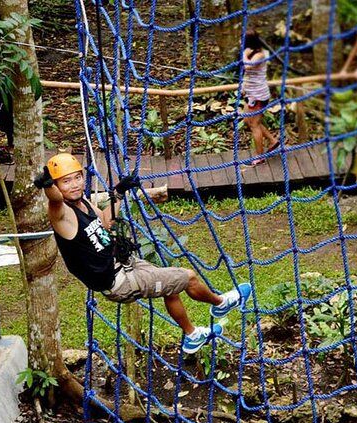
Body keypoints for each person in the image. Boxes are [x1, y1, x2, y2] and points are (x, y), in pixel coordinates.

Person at [33, 153, 252, 354]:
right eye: (66, 181)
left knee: (170, 286)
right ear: (57, 185)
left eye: (77, 177)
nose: (74, 185)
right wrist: (48, 186)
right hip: (119, 282)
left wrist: (118, 193)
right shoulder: (62, 214)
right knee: (188, 277)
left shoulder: (83, 202)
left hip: (125, 264)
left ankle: (192, 335)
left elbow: (105, 222)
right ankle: (221, 303)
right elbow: (55, 200)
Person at [242, 29, 279, 165]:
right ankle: (273, 140)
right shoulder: (251, 53)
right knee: (247, 121)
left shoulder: (260, 54)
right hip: (251, 93)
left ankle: (260, 156)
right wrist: (244, 88)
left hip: (258, 95)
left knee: (254, 125)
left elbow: (247, 67)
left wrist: (244, 54)